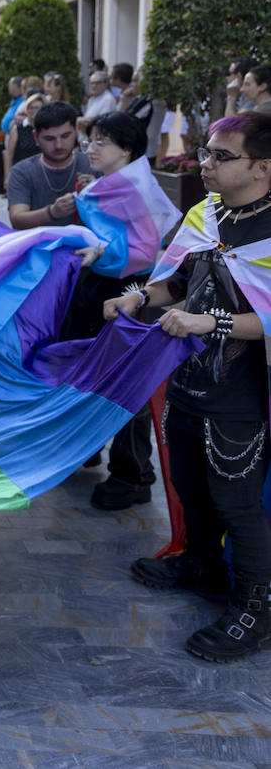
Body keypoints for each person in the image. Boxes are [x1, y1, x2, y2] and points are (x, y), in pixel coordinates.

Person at [105, 112, 271, 663]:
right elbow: (178, 280)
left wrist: (211, 323)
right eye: (206, 153)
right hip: (188, 378)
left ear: (263, 166)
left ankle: (254, 607)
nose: (206, 164)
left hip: (243, 394)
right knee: (187, 483)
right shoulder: (206, 213)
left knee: (237, 501)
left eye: (222, 157)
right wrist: (136, 296)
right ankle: (198, 560)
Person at [64, 112, 173, 509]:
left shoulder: (134, 188)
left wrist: (99, 251)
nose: (90, 148)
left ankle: (132, 475)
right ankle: (86, 447)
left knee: (126, 381)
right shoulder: (110, 184)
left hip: (127, 292)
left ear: (126, 149)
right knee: (88, 369)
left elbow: (144, 250)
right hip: (99, 286)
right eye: (89, 141)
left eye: (101, 142)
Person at [7, 101, 92, 229]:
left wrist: (98, 190)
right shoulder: (21, 171)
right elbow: (17, 219)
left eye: (65, 136)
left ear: (76, 131)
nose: (59, 145)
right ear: (36, 137)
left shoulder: (93, 164)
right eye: (49, 139)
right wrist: (52, 212)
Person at [5, 91, 46, 170]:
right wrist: (7, 176)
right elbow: (9, 154)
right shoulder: (17, 129)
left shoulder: (47, 128)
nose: (34, 110)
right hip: (21, 174)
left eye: (37, 107)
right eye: (31, 107)